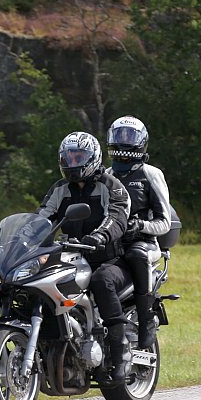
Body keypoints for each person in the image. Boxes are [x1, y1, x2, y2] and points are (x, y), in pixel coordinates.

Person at [37, 131, 132, 384]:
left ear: (93, 157)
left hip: (108, 258)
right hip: (73, 256)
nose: (73, 162)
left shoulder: (111, 185)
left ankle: (120, 355)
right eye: (68, 157)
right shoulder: (60, 189)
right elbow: (42, 218)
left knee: (102, 281)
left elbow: (117, 217)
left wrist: (100, 237)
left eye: (79, 156)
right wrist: (26, 237)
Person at [105, 116, 171, 350]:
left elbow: (165, 222)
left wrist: (140, 226)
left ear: (141, 141)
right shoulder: (106, 174)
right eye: (120, 136)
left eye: (129, 137)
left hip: (143, 244)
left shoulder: (150, 174)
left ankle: (146, 319)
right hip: (112, 243)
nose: (123, 142)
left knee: (136, 255)